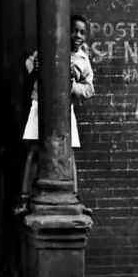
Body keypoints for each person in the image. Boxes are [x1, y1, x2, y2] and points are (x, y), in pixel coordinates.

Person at [15, 14, 95, 215]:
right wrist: (35, 69)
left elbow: (89, 89)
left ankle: (75, 198)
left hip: (65, 109)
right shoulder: (51, 48)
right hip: (40, 104)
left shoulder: (83, 60)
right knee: (34, 151)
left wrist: (72, 85)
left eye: (82, 33)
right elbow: (28, 63)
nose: (78, 36)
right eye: (74, 31)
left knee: (69, 154)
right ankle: (23, 199)